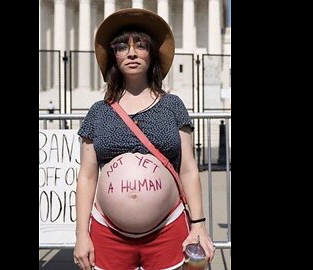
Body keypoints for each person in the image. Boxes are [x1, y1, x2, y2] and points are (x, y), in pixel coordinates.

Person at [73, 8, 214, 270]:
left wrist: (199, 227)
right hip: (108, 231)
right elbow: (87, 176)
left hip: (168, 227)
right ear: (114, 57)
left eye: (141, 45)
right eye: (122, 47)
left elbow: (188, 169)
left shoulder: (173, 106)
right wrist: (81, 234)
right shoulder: (98, 111)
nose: (132, 53)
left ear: (152, 55)